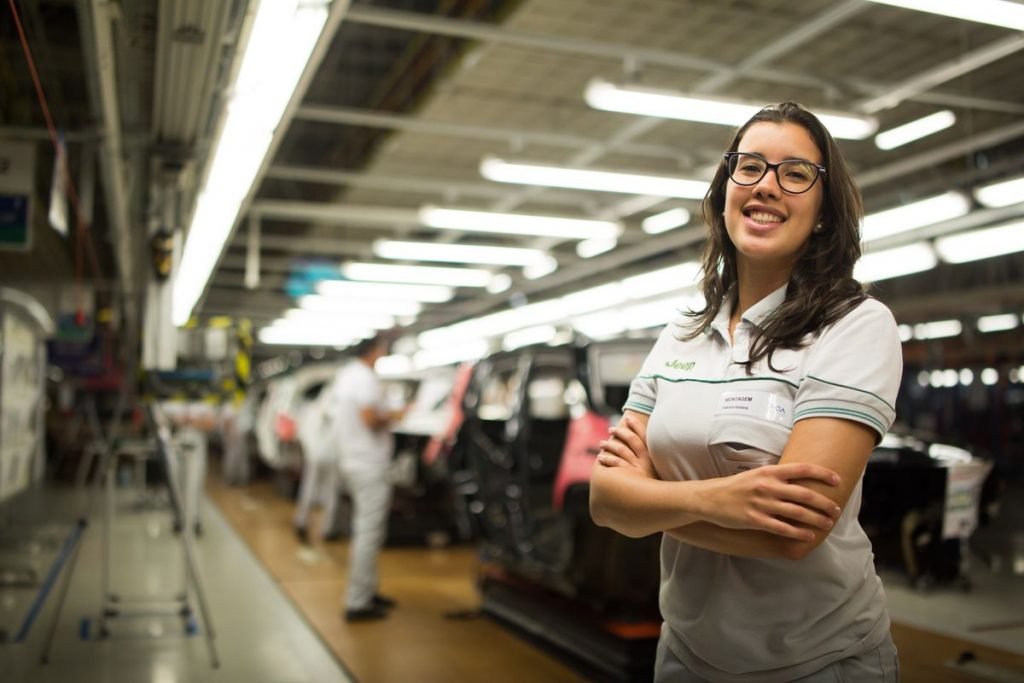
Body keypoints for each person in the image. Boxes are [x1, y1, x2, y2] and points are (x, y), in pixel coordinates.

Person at [590, 102, 903, 682]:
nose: (766, 186)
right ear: (724, 190)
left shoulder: (857, 324)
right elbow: (604, 501)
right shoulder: (683, 331)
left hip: (820, 661)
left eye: (795, 173)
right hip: (684, 652)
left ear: (824, 213)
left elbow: (791, 533)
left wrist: (649, 503)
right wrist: (719, 502)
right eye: (750, 166)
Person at [331, 335, 406, 622]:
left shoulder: (347, 375)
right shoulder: (364, 377)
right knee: (368, 532)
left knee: (367, 529)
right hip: (368, 463)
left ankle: (368, 590)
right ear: (373, 351)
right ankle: (358, 601)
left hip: (352, 460)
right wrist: (398, 414)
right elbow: (369, 418)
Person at [293, 379, 343, 543]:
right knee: (332, 491)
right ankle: (328, 529)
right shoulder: (336, 407)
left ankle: (301, 520)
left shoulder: (311, 408)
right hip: (331, 455)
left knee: (309, 487)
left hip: (314, 454)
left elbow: (301, 431)